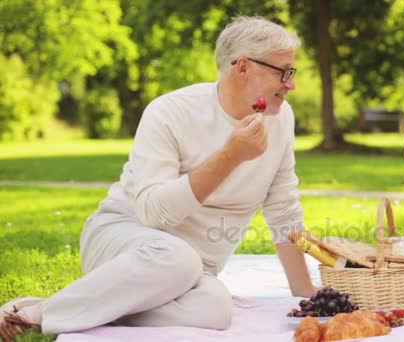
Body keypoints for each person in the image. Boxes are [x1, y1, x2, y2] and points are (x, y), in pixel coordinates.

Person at [0, 16, 317, 340]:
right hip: (126, 244)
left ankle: (98, 305)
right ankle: (47, 311)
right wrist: (231, 156)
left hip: (191, 273)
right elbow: (154, 213)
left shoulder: (281, 118)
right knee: (179, 258)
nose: (290, 84)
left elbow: (283, 209)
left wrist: (304, 294)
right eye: (283, 72)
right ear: (243, 67)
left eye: (291, 72)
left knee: (216, 308)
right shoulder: (170, 112)